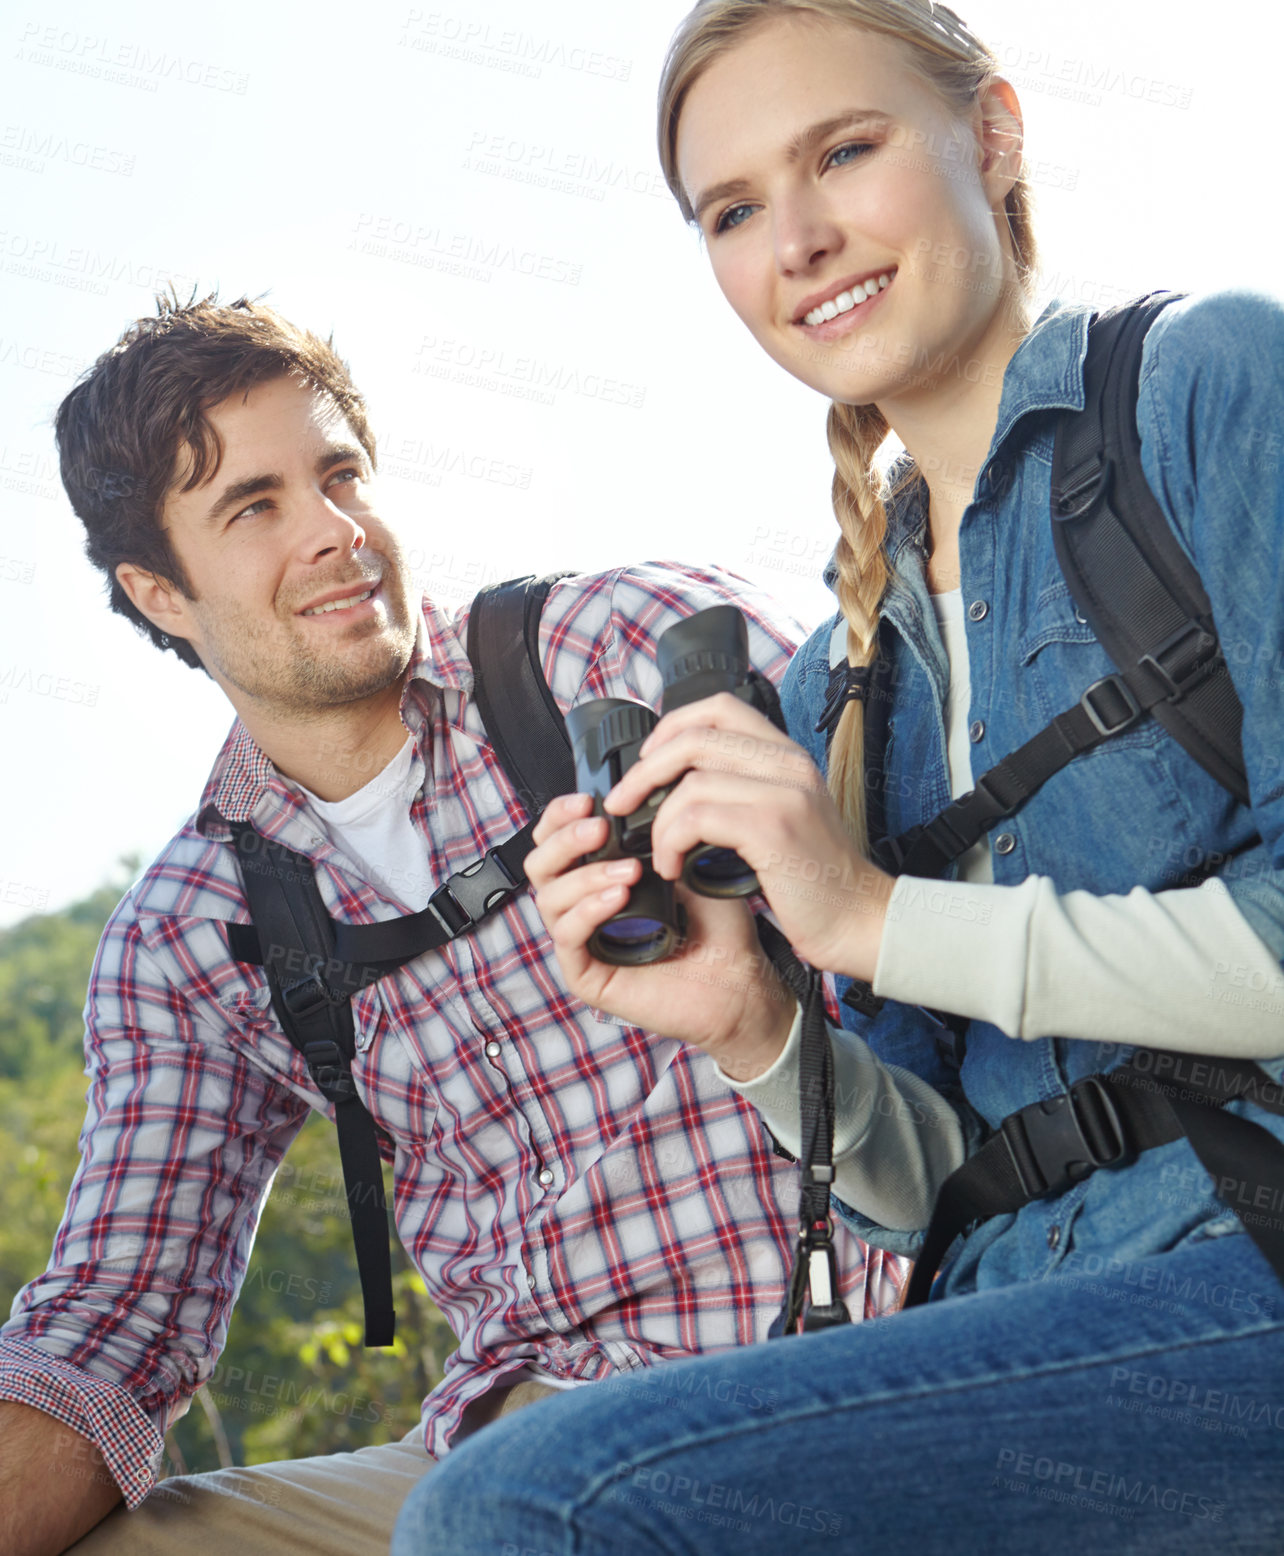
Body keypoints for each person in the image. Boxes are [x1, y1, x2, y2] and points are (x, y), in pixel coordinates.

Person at [391, 2, 1284, 1551]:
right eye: (732, 211)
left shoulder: (1210, 381)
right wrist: (749, 1020)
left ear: (992, 132)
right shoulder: (834, 677)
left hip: (1246, 1262)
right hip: (1027, 1316)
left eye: (845, 152)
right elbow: (946, 1172)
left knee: (530, 1507)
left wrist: (869, 918)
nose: (796, 239)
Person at [0, 295, 905, 1556]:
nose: (332, 533)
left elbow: (929, 895)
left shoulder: (619, 645)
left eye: (340, 475)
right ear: (160, 590)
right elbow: (114, 1315)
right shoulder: (190, 933)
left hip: (832, 1363)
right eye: (253, 507)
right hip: (513, 1439)